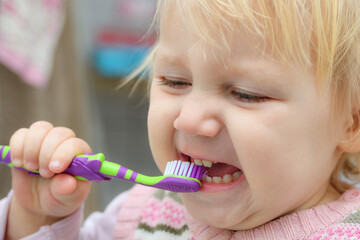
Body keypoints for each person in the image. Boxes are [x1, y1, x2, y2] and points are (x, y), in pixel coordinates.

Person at [2, 0, 360, 239]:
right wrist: (36, 218)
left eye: (246, 94)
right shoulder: (139, 215)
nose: (189, 120)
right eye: (176, 82)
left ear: (351, 122)